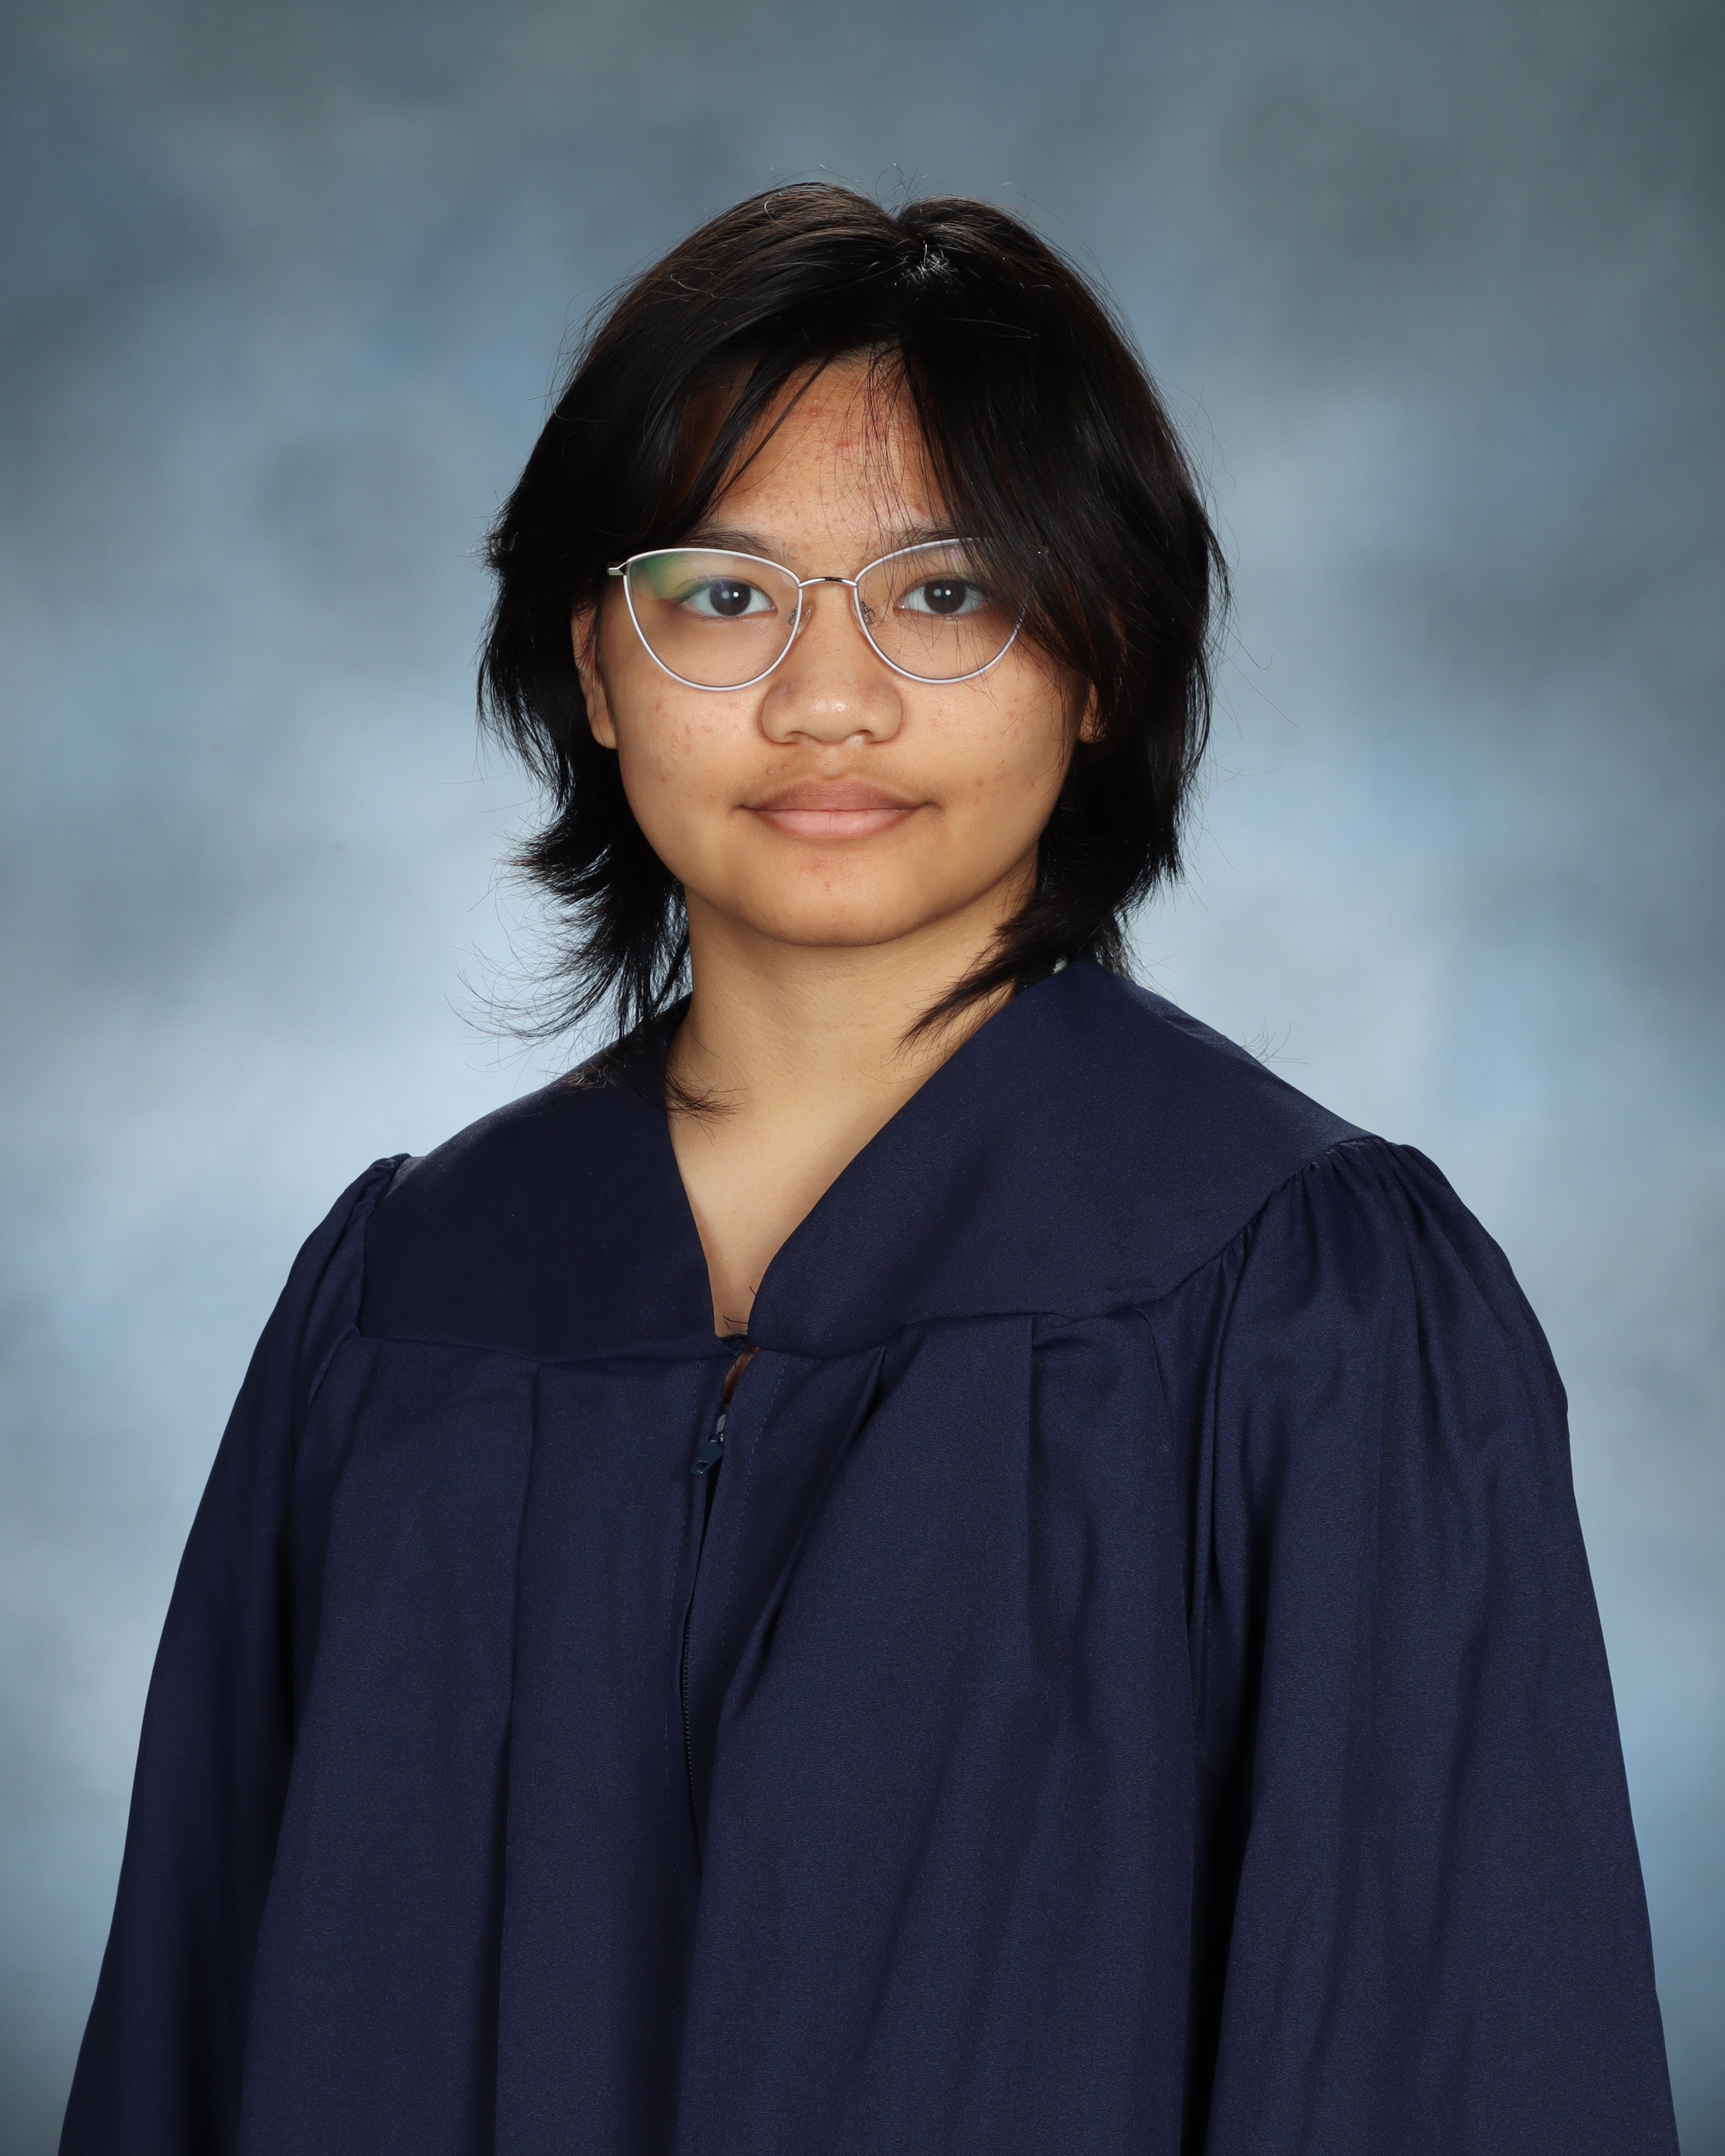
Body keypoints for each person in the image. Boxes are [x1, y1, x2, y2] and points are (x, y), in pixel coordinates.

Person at [60, 184, 1678, 2156]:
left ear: (1100, 656)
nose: (828, 699)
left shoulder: (1309, 1308)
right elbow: (187, 2041)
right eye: (720, 595)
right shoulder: (406, 1307)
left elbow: (1457, 2062)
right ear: (594, 665)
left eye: (945, 591)